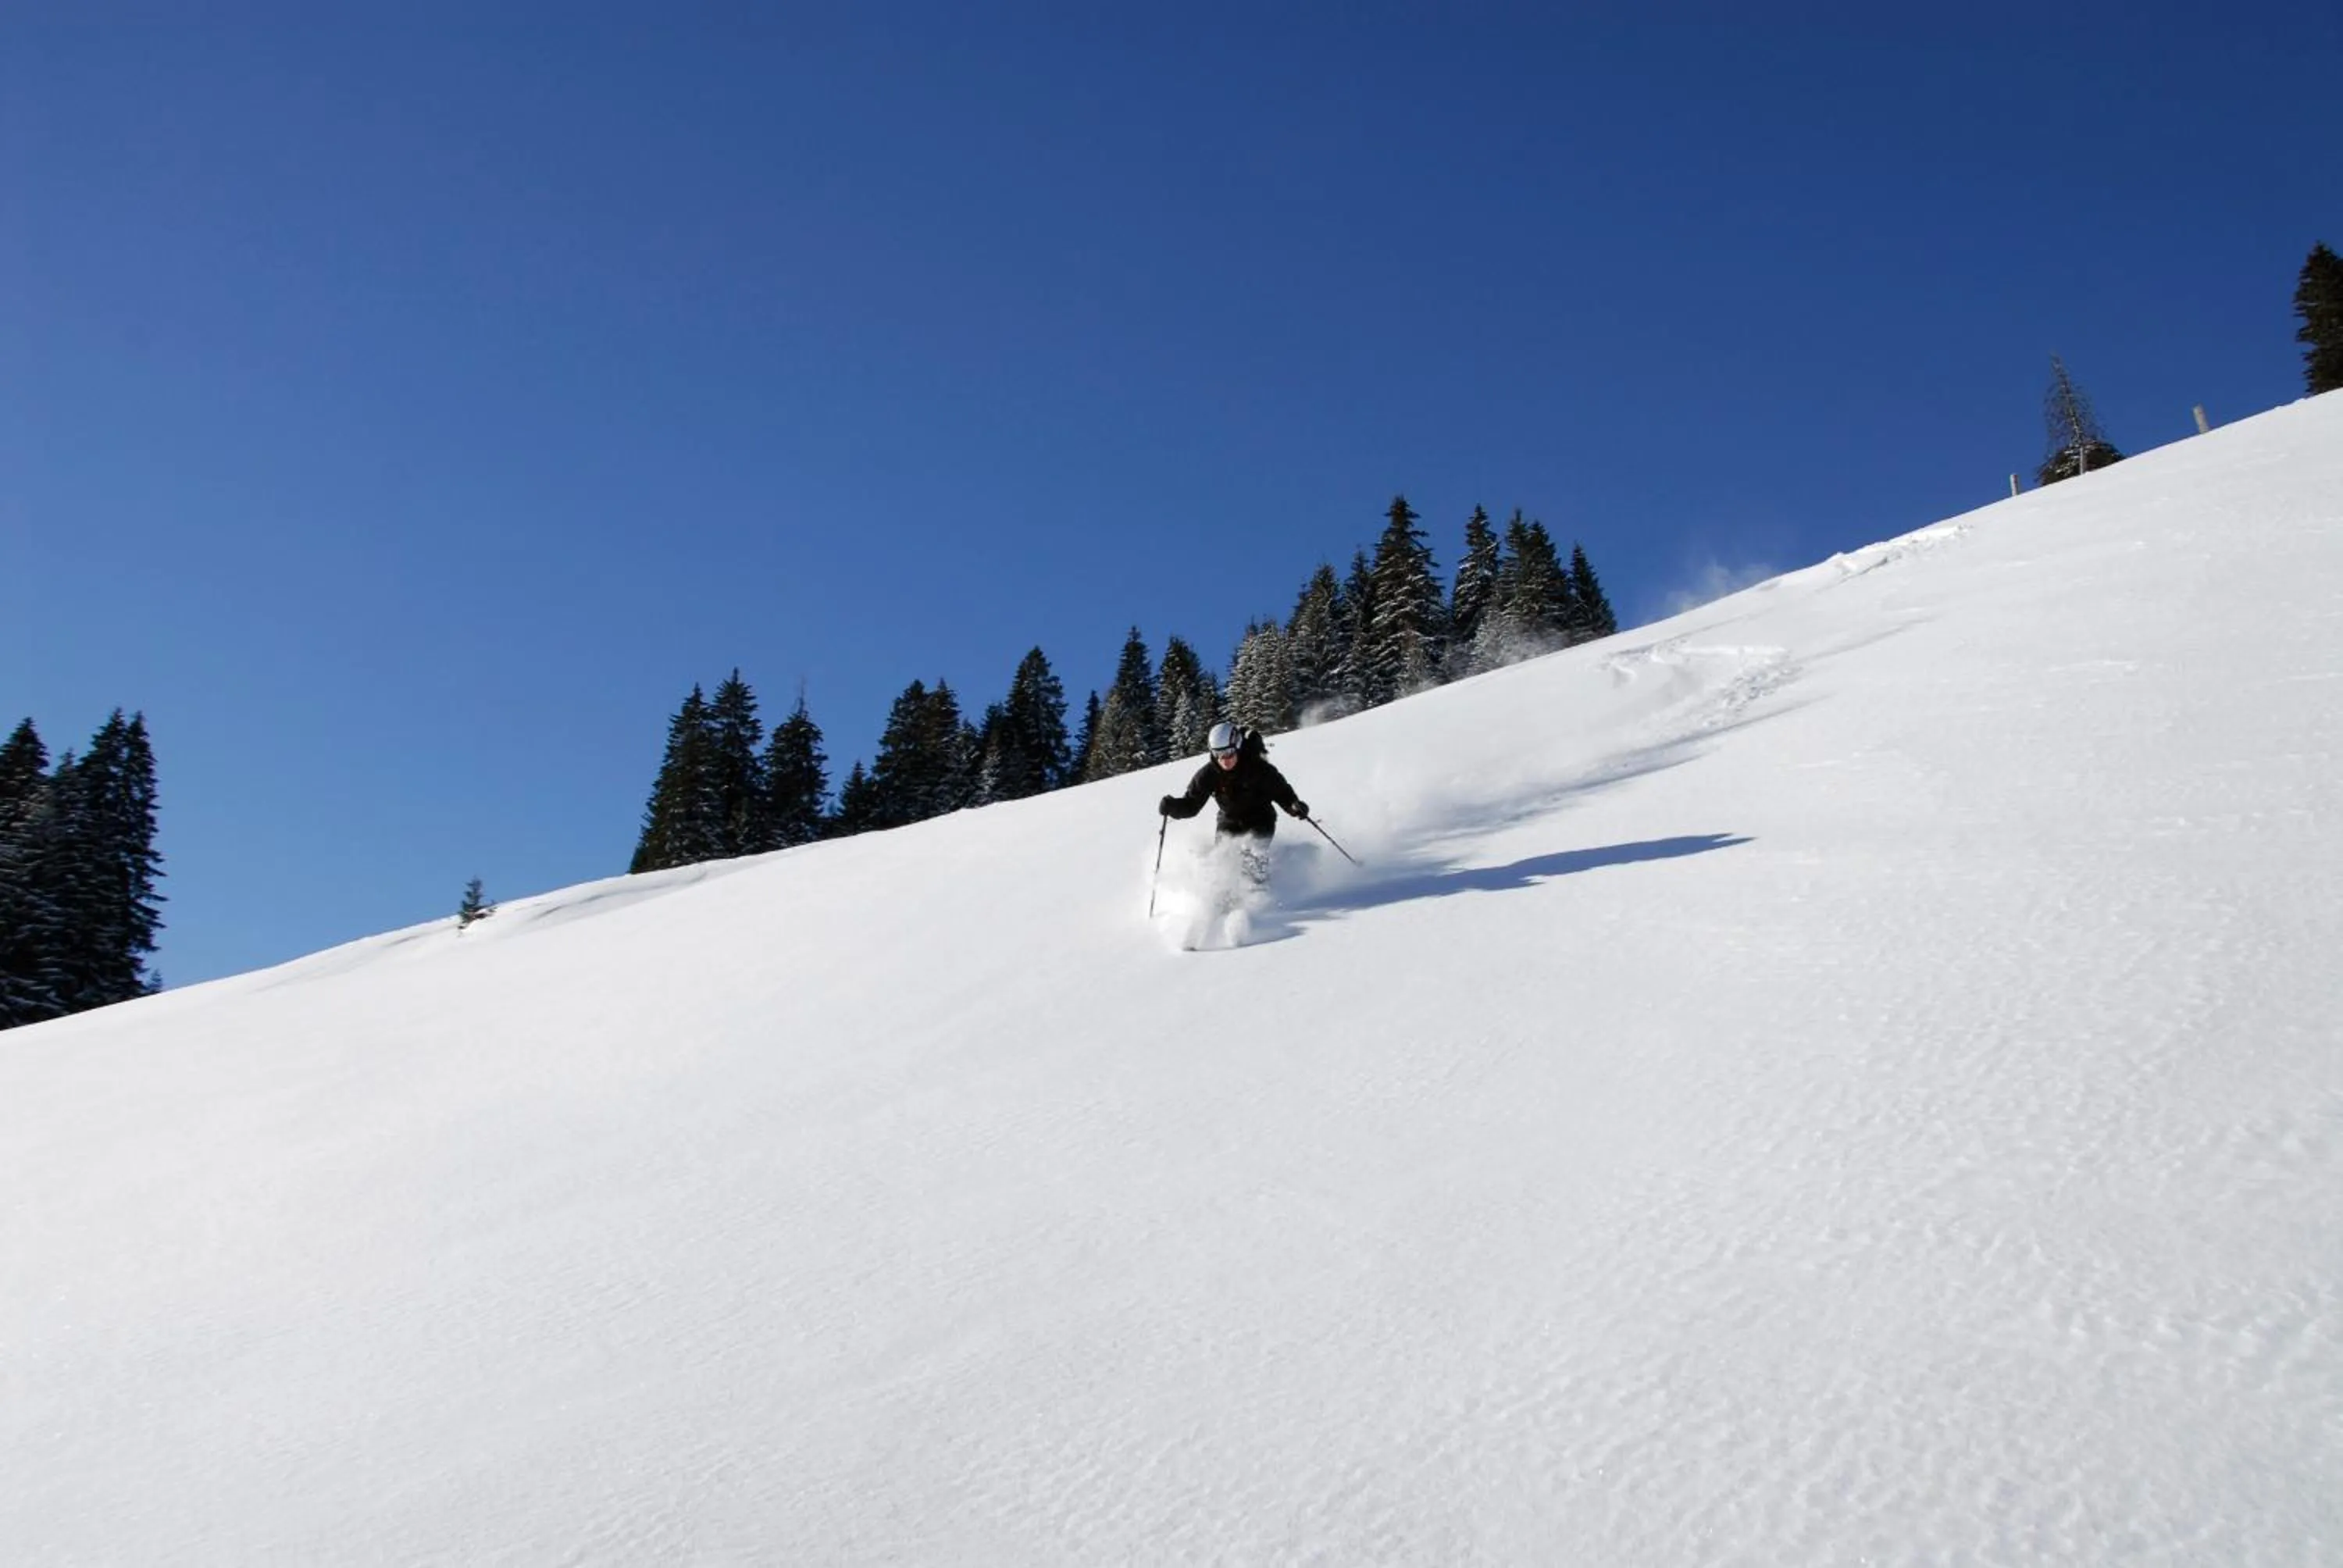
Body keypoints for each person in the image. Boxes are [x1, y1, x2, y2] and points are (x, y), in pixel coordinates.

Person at [1158, 722, 1310, 881]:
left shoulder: (1258, 768)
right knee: (1223, 861)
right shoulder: (1208, 775)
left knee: (1251, 858)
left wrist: (1294, 806)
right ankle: (1223, 897)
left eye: (1229, 752)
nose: (1225, 760)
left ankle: (1259, 892)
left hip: (1261, 818)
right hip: (1229, 821)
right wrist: (1173, 807)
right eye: (1219, 754)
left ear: (1237, 745)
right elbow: (1191, 805)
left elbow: (1281, 791)